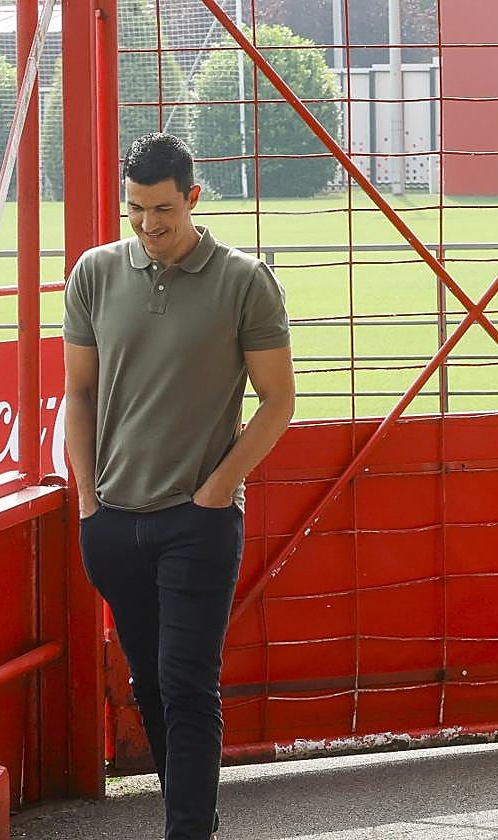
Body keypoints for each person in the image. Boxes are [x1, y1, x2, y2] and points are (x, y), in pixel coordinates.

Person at [63, 133, 295, 840]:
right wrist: (87, 503)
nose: (148, 226)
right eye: (135, 210)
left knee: (189, 685)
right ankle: (189, 819)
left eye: (162, 209)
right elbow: (77, 393)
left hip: (197, 522)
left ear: (193, 197)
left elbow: (279, 400)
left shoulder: (243, 280)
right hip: (112, 522)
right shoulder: (94, 274)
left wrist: (218, 490)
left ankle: (187, 831)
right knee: (151, 686)